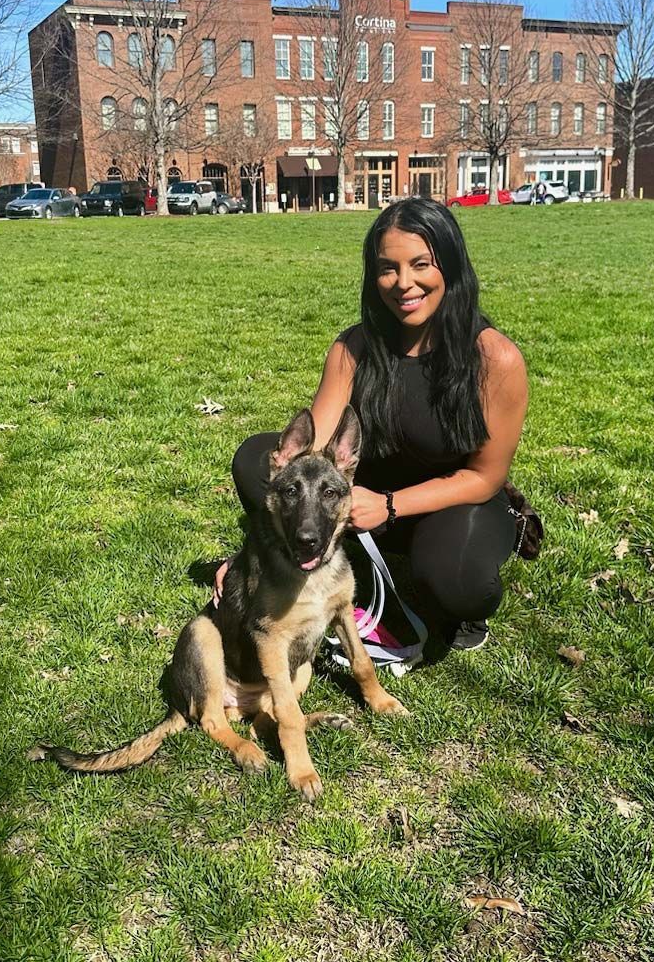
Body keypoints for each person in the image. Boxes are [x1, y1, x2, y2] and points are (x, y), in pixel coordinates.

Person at [218, 198, 529, 652]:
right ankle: (329, 562)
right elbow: (313, 453)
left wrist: (389, 504)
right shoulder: (355, 348)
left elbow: (484, 477)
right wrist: (253, 558)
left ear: (452, 265)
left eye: (421, 264)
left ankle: (459, 610)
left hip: (454, 503)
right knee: (255, 459)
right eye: (388, 268)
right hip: (363, 500)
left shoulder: (494, 359)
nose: (404, 284)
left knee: (457, 579)